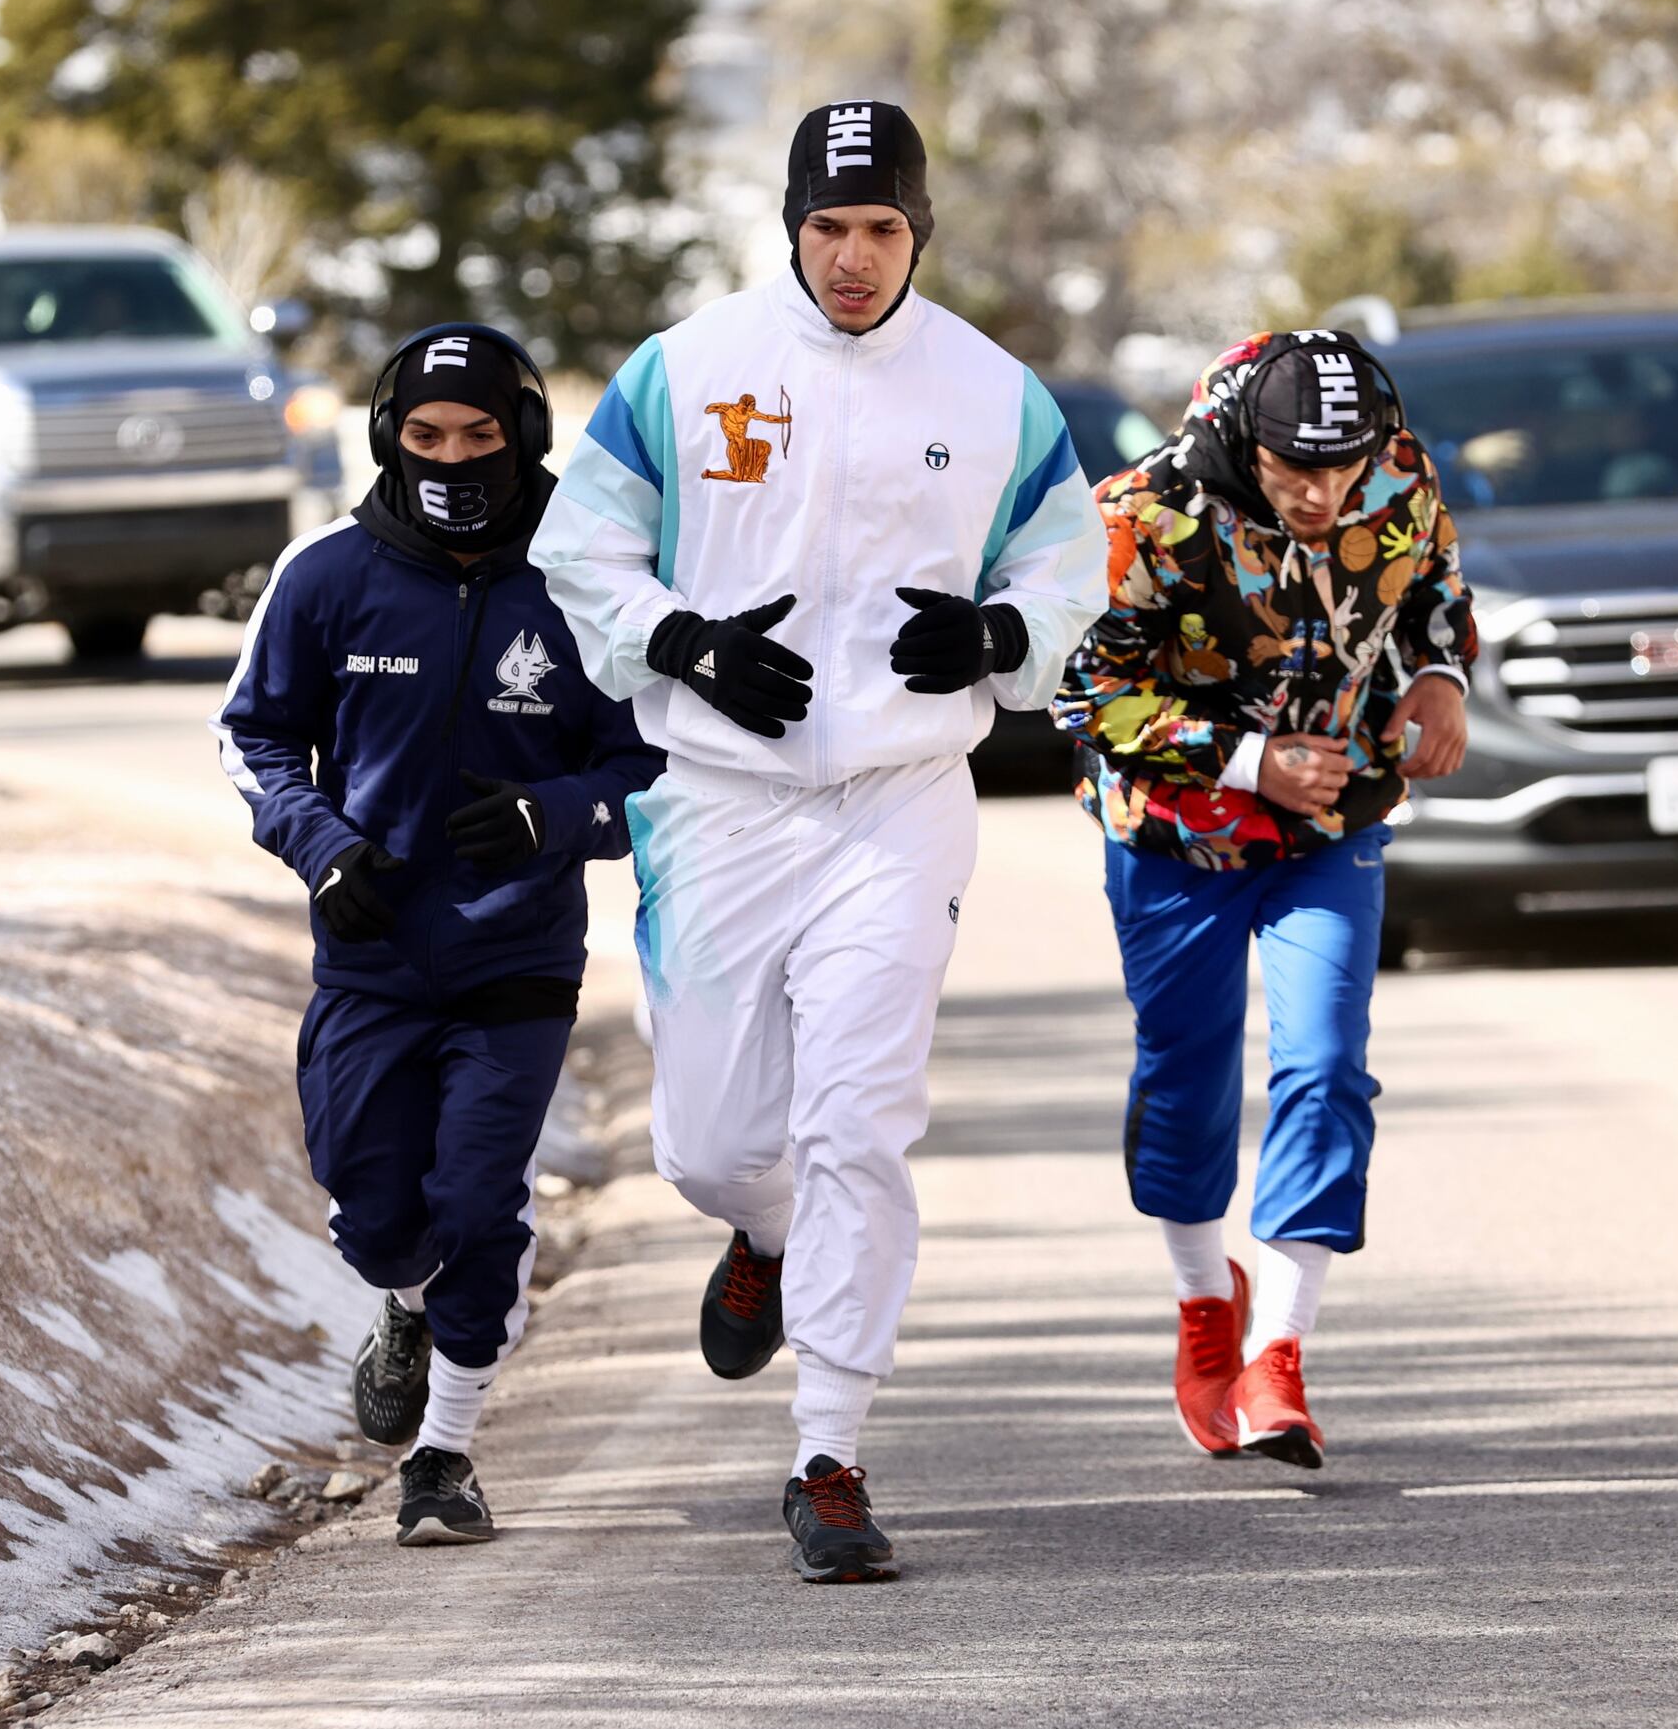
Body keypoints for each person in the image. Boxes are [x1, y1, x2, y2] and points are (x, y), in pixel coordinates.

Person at [531, 101, 1107, 1583]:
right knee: (713, 1141)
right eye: (830, 228)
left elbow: (1066, 564)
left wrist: (999, 631)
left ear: (921, 230)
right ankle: (761, 1235)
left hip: (900, 802)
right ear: (790, 225)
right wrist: (682, 640)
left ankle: (831, 1453)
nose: (855, 260)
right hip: (721, 803)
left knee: (861, 1117)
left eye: (884, 230)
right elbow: (578, 546)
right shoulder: (685, 370)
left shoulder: (992, 392)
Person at [212, 324, 662, 1546]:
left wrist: (556, 815)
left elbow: (650, 763)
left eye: (478, 437)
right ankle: (405, 1303)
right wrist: (323, 844)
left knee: (475, 1203)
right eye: (424, 437)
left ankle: (444, 1456)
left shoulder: (585, 579)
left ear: (522, 438)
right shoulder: (326, 574)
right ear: (386, 440)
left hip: (518, 960)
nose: (452, 458)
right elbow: (249, 737)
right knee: (373, 1206)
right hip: (369, 957)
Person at [1054, 329, 1477, 1469]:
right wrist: (1247, 763)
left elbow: (1434, 587)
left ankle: (1279, 1354)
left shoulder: (1398, 471)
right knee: (1186, 1078)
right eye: (1297, 469)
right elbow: (1078, 693)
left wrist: (1438, 680)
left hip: (1331, 822)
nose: (1323, 493)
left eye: (1343, 468)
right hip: (1174, 831)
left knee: (1326, 1063)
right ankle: (1206, 1306)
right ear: (1247, 437)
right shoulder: (1142, 515)